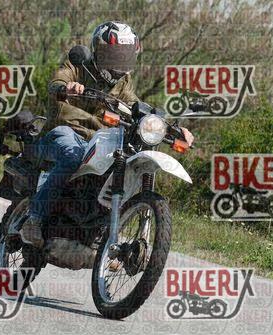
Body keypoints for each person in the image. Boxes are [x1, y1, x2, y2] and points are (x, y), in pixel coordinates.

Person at [20, 21, 194, 247]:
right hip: (64, 132)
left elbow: (136, 106)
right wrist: (67, 87)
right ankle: (34, 218)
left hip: (98, 140)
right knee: (73, 156)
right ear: (98, 50)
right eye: (113, 55)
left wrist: (169, 127)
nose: (118, 62)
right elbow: (57, 81)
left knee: (121, 165)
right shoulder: (79, 66)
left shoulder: (122, 82)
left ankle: (101, 233)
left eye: (124, 56)